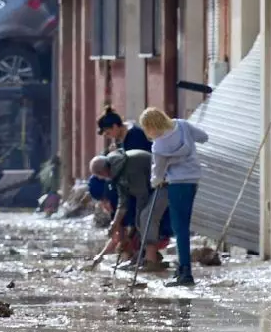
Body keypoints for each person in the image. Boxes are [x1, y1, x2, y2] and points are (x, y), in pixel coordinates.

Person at [140, 107, 209, 287]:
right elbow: (204, 137)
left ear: (149, 127)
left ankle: (185, 272)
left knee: (180, 229)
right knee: (184, 226)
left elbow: (157, 175)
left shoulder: (159, 146)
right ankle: (182, 269)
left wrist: (156, 181)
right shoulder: (183, 125)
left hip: (176, 184)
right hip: (193, 180)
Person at [88, 150, 172, 270]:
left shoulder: (129, 167)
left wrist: (138, 220)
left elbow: (142, 195)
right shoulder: (116, 173)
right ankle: (146, 257)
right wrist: (115, 223)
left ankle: (151, 261)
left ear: (103, 172)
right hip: (153, 187)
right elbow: (123, 202)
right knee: (141, 220)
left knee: (145, 217)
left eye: (100, 176)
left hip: (165, 183)